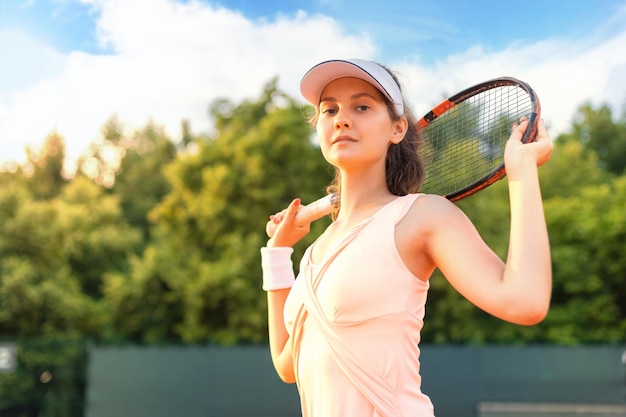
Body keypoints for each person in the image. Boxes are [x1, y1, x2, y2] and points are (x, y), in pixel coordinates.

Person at [260, 58, 553, 417]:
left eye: (362, 106)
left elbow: (525, 301)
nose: (342, 118)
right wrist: (277, 253)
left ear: (397, 129)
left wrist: (521, 171)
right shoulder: (314, 253)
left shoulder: (420, 216)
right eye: (329, 109)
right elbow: (286, 365)